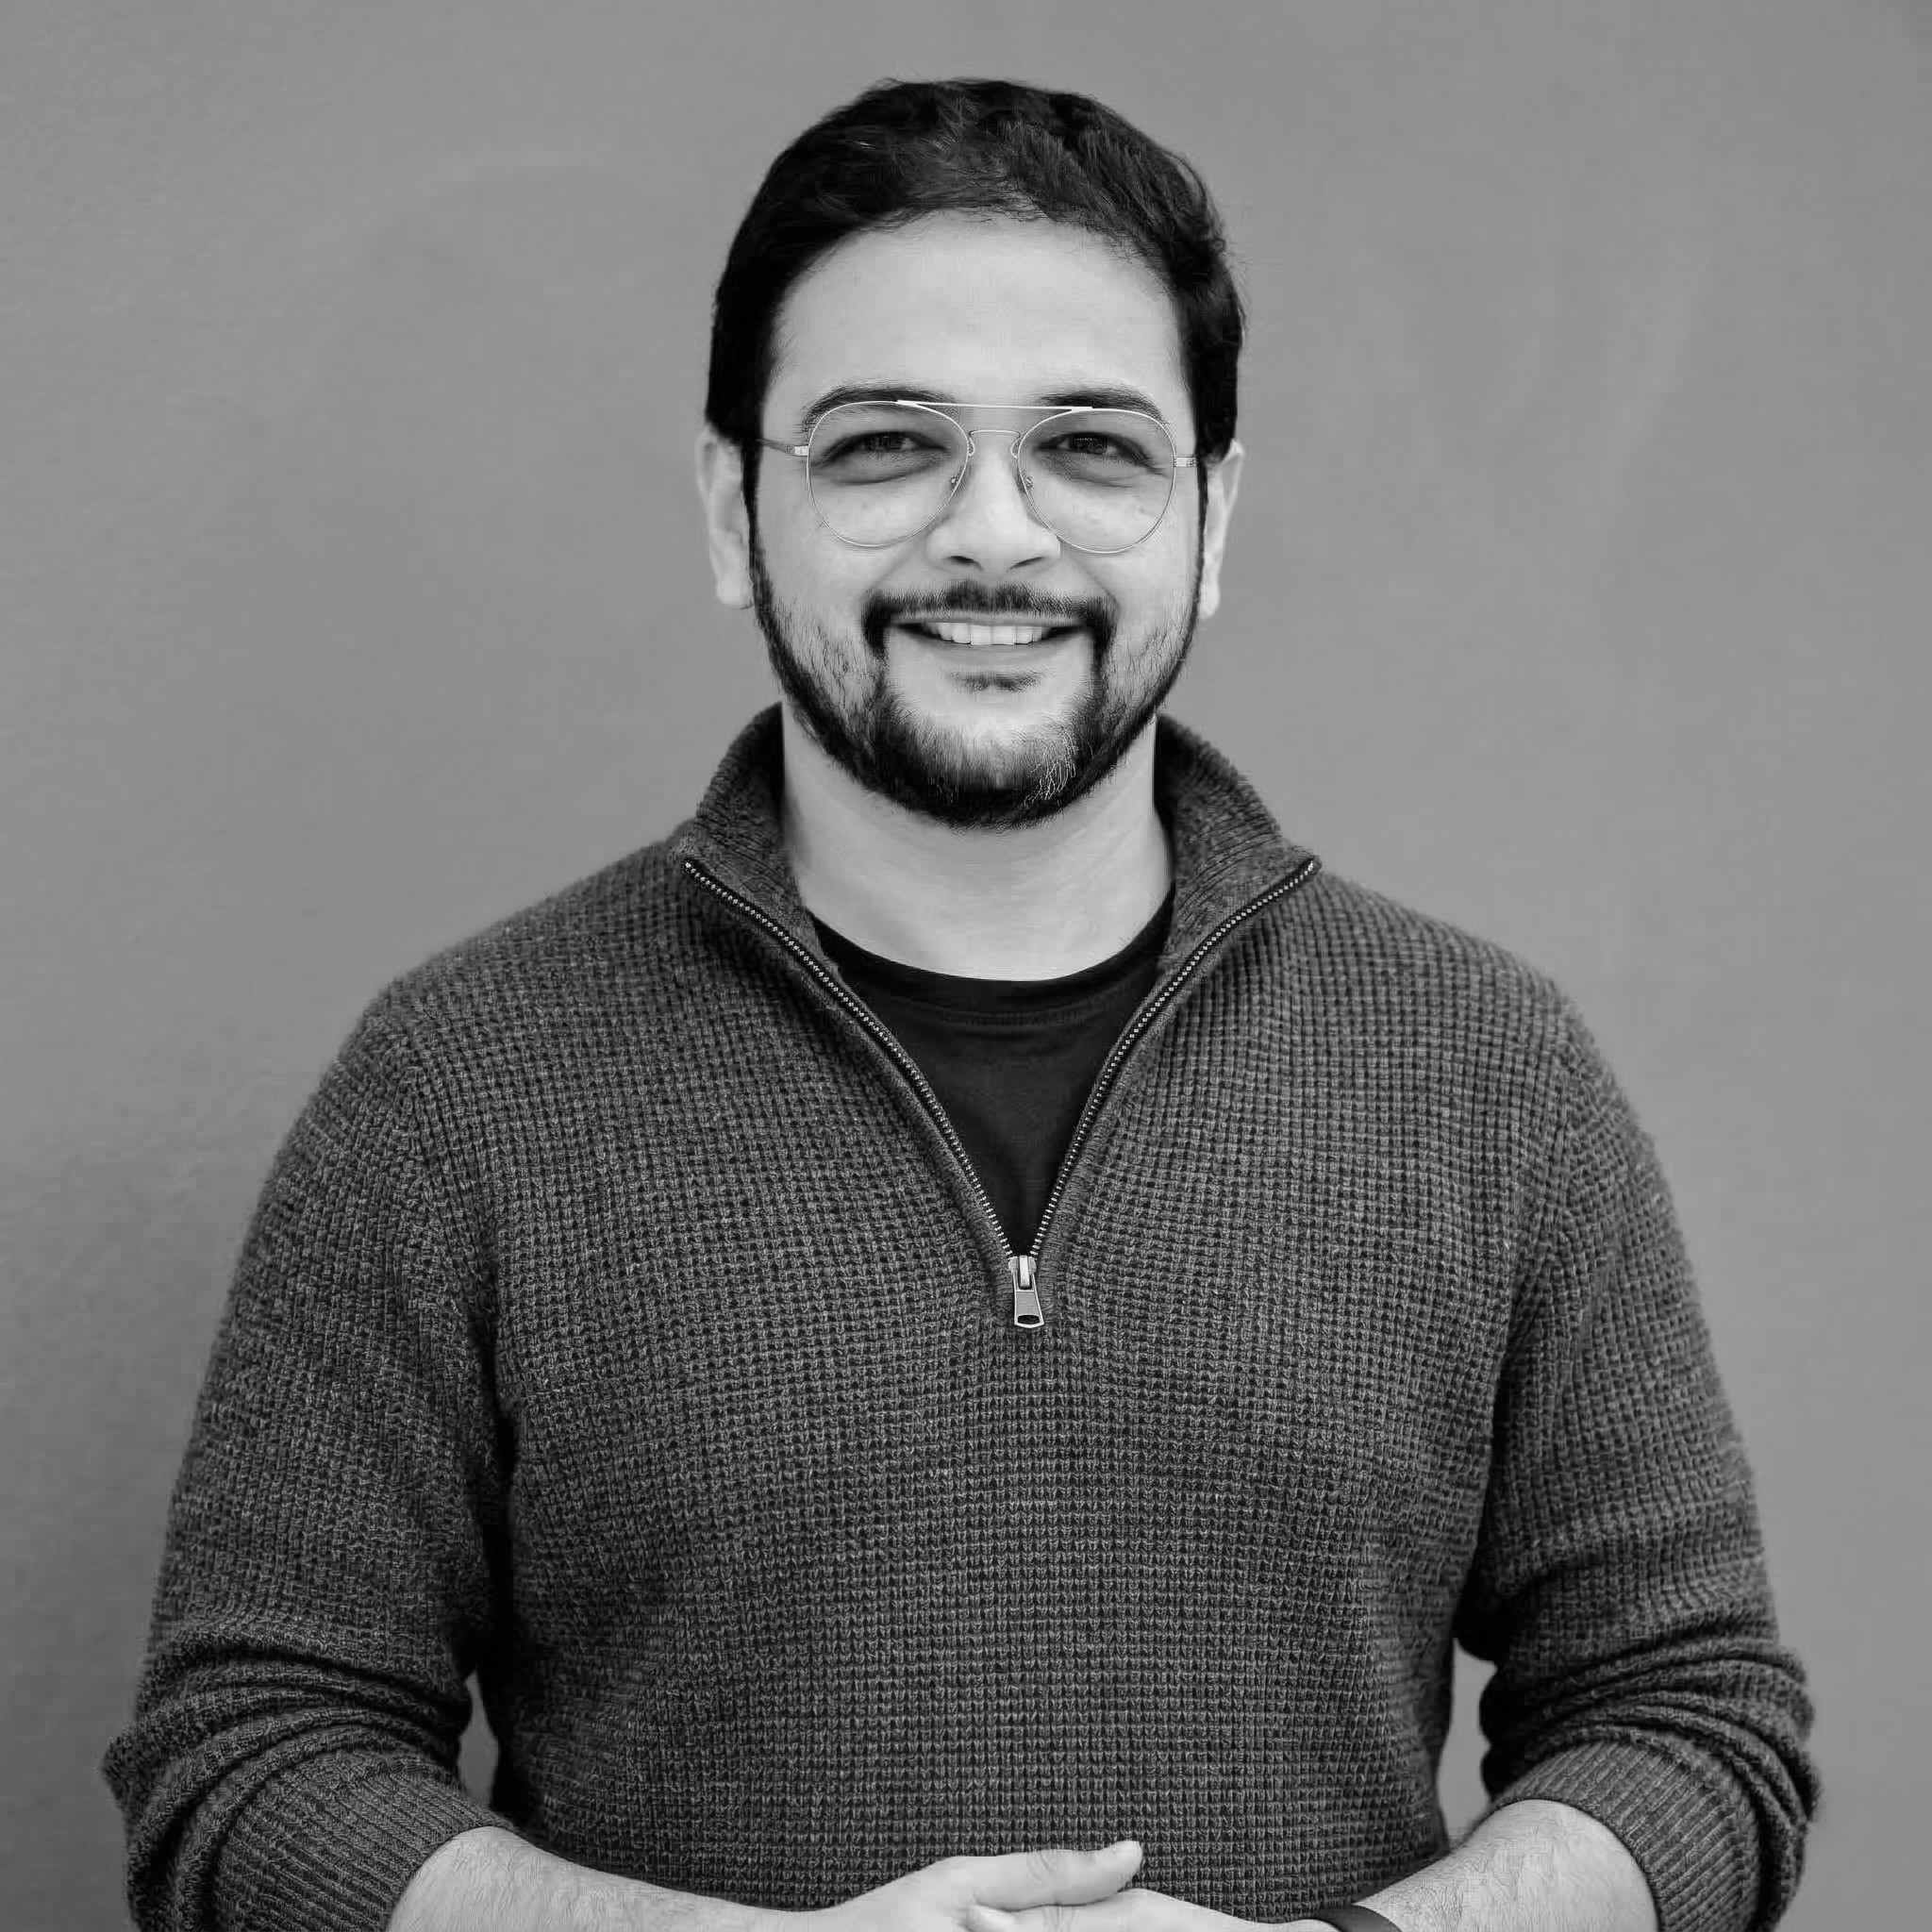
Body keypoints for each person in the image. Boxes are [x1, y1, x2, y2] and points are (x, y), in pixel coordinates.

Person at [106, 78, 1815, 1932]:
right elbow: (249, 1766)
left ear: (1210, 515)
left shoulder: (1487, 1075)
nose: (993, 533)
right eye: (882, 445)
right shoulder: (459, 1084)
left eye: (1090, 446)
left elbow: (1691, 1728)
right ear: (733, 509)